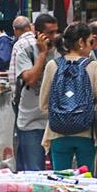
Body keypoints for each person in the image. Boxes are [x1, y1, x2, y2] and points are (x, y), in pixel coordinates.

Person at [38, 22, 97, 170]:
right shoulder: (93, 66)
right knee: (86, 181)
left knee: (61, 181)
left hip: (57, 133)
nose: (92, 46)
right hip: (86, 134)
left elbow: (43, 104)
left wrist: (63, 113)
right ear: (81, 42)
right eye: (90, 41)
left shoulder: (52, 65)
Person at [9, 14, 59, 171]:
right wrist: (42, 54)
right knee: (34, 171)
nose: (54, 36)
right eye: (50, 33)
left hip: (55, 121)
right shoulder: (26, 49)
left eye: (56, 32)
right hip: (32, 121)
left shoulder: (61, 49)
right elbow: (30, 79)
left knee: (57, 173)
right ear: (38, 33)